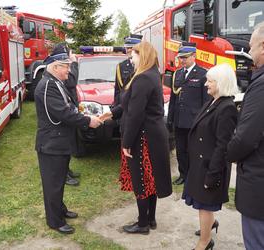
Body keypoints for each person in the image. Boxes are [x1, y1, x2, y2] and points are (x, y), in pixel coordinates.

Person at [101, 41, 172, 235]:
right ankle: (150, 219)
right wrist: (110, 114)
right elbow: (127, 106)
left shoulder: (142, 78)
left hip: (143, 137)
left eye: (133, 55)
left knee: (141, 179)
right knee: (151, 178)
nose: (131, 59)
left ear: (143, 56)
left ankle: (142, 224)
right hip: (152, 135)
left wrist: (126, 143)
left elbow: (135, 114)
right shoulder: (151, 75)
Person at [34, 48, 102, 234]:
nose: (69, 71)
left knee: (58, 182)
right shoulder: (48, 85)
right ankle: (55, 221)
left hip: (58, 142)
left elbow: (69, 105)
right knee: (53, 185)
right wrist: (88, 121)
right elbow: (63, 113)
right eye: (66, 67)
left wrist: (83, 115)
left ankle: (60, 211)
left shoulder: (55, 82)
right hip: (51, 145)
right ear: (56, 67)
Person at [182, 63, 238, 250]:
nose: (206, 84)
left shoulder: (227, 108)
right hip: (201, 163)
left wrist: (213, 174)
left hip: (211, 166)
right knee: (200, 203)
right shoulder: (213, 101)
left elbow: (223, 146)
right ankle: (210, 225)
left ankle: (205, 242)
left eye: (210, 81)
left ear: (221, 83)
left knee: (205, 205)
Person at [227, 21, 264, 250]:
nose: (249, 53)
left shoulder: (261, 85)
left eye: (252, 47)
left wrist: (227, 153)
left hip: (258, 186)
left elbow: (246, 138)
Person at [167, 42, 209, 185]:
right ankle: (183, 175)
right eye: (181, 57)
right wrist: (170, 119)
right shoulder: (177, 74)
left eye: (185, 57)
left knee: (193, 151)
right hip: (179, 120)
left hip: (194, 121)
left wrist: (203, 122)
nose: (182, 60)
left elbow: (206, 102)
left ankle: (193, 175)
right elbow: (173, 99)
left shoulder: (203, 74)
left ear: (193, 56)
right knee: (180, 151)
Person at [50, 43, 81, 186]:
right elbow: (72, 81)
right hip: (64, 111)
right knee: (65, 144)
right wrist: (74, 63)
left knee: (69, 142)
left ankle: (67, 170)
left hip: (70, 106)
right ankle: (65, 174)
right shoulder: (60, 71)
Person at [113, 34, 142, 109]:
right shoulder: (121, 66)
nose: (129, 50)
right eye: (127, 48)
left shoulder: (146, 65)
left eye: (131, 48)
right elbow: (118, 91)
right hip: (124, 108)